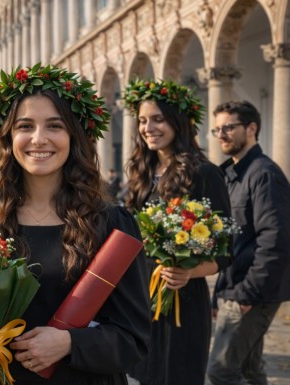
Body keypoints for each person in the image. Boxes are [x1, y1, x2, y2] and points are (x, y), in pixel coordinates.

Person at [0, 64, 150, 385]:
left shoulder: (110, 224)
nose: (38, 139)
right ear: (9, 137)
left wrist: (70, 343)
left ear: (74, 136)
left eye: (54, 126)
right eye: (25, 126)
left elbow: (134, 338)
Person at [121, 78, 232, 385]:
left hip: (183, 299)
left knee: (178, 375)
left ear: (177, 121)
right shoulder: (140, 175)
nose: (148, 128)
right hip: (140, 297)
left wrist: (190, 272)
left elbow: (226, 249)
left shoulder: (204, 173)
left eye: (157, 119)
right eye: (143, 120)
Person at [206, 100, 290, 385]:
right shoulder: (232, 175)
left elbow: (275, 240)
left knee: (220, 371)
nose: (221, 135)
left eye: (229, 127)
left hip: (252, 290)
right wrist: (220, 293)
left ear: (252, 128)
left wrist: (247, 294)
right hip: (235, 287)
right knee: (248, 370)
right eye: (217, 129)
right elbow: (233, 244)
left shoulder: (264, 174)